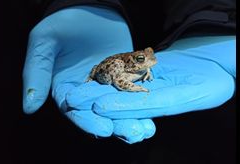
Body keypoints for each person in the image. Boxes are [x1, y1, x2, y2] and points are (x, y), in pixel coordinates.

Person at [22, 0, 235, 144]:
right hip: (110, 60)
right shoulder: (125, 70)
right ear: (135, 61)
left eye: (149, 56)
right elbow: (119, 82)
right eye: (144, 59)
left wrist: (212, 27)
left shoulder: (143, 63)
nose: (150, 60)